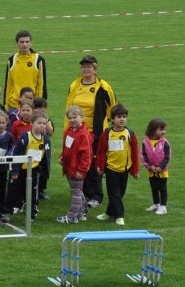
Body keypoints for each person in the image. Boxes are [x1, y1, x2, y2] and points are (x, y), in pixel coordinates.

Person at [64, 55, 116, 209]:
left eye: (89, 66)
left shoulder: (103, 86)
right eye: (83, 66)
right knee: (78, 160)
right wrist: (68, 127)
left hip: (96, 132)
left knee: (93, 162)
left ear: (95, 69)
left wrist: (107, 125)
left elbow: (112, 107)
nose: (86, 69)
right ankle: (84, 193)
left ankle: (96, 195)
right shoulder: (75, 84)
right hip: (76, 130)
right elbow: (68, 106)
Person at [0, 111, 51, 225]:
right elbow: (16, 154)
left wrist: (41, 170)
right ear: (31, 123)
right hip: (20, 171)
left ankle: (30, 215)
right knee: (13, 192)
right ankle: (7, 213)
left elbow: (45, 156)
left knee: (32, 194)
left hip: (33, 171)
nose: (42, 125)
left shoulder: (45, 140)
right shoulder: (24, 137)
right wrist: (15, 170)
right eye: (39, 123)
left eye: (44, 123)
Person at [95, 104, 139, 226]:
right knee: (114, 193)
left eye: (124, 116)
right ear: (112, 119)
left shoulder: (130, 133)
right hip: (111, 168)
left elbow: (135, 153)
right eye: (119, 117)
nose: (122, 119)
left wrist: (135, 170)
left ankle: (109, 213)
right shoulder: (107, 133)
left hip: (124, 169)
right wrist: (99, 166)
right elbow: (101, 151)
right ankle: (119, 216)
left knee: (120, 193)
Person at [57, 106, 93, 224]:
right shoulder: (69, 131)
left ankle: (72, 216)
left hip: (76, 169)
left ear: (82, 117)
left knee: (76, 191)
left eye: (75, 117)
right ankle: (82, 212)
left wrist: (82, 171)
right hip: (69, 166)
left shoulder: (84, 135)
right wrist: (62, 157)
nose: (72, 120)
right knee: (77, 190)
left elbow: (86, 155)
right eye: (69, 118)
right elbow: (67, 147)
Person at [3, 30, 47, 111]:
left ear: (31, 43)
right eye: (22, 42)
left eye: (27, 41)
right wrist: (6, 105)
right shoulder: (12, 60)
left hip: (32, 105)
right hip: (14, 105)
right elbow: (8, 84)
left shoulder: (38, 60)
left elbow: (42, 84)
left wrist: (40, 104)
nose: (25, 45)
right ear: (17, 43)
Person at [141, 118, 171, 215]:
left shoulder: (165, 142)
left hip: (162, 170)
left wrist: (161, 167)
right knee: (154, 188)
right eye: (161, 129)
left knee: (162, 188)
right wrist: (150, 166)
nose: (163, 132)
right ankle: (156, 204)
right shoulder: (146, 142)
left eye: (164, 129)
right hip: (152, 170)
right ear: (153, 130)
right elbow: (143, 155)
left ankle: (163, 206)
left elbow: (167, 156)